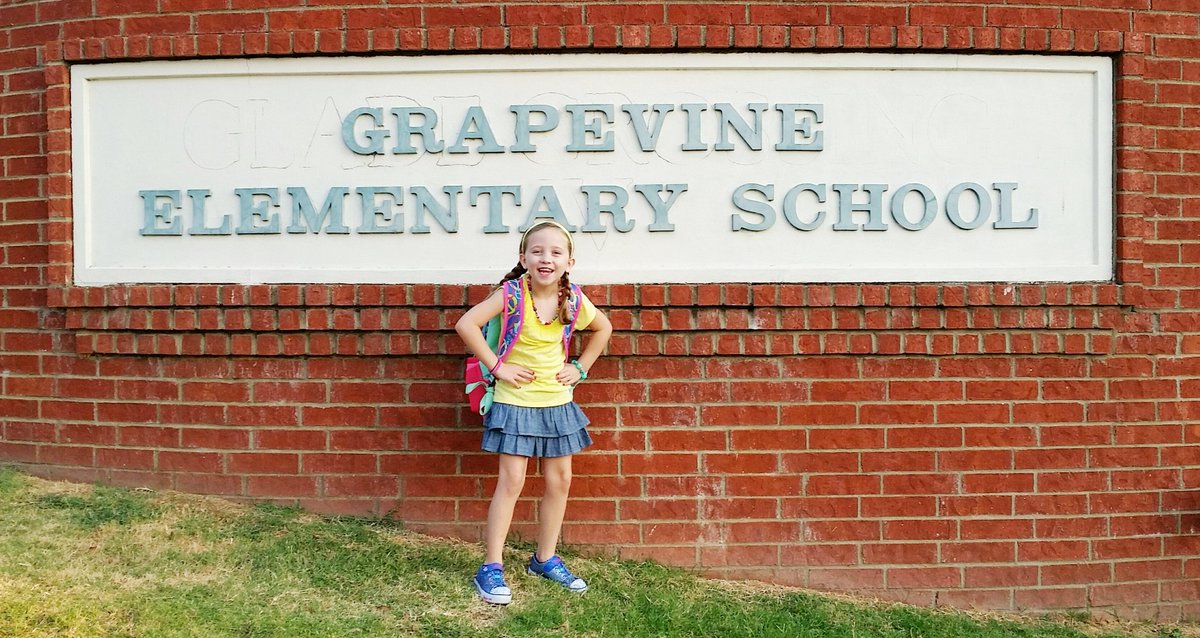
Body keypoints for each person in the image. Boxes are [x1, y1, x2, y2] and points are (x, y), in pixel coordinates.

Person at [455, 220, 613, 605]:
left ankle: (544, 559)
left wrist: (580, 368)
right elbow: (466, 324)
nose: (546, 258)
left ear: (569, 262)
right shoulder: (511, 295)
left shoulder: (572, 299)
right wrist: (498, 367)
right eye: (537, 251)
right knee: (512, 481)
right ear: (523, 258)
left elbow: (603, 329)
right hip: (516, 402)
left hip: (557, 402)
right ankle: (491, 566)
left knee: (560, 481)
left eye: (556, 252)